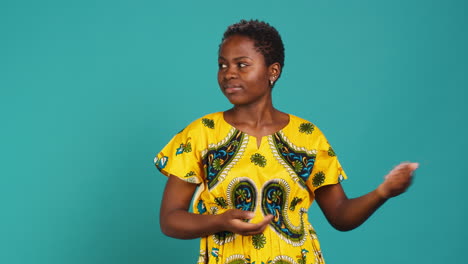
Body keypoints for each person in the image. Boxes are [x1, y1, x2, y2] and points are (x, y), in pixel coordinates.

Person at [154, 19, 418, 264]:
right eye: (223, 65)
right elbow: (170, 220)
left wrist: (383, 192)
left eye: (241, 64)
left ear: (273, 71)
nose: (229, 74)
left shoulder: (307, 136)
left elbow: (340, 215)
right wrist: (220, 221)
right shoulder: (200, 134)